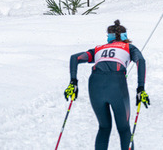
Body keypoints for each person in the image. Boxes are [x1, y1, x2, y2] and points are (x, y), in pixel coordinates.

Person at [64, 20, 149, 150]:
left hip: (95, 84)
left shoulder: (99, 48)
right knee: (124, 128)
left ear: (109, 37)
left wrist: (73, 82)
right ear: (125, 36)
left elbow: (75, 58)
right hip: (116, 83)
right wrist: (140, 88)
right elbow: (140, 61)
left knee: (104, 127)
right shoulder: (129, 47)